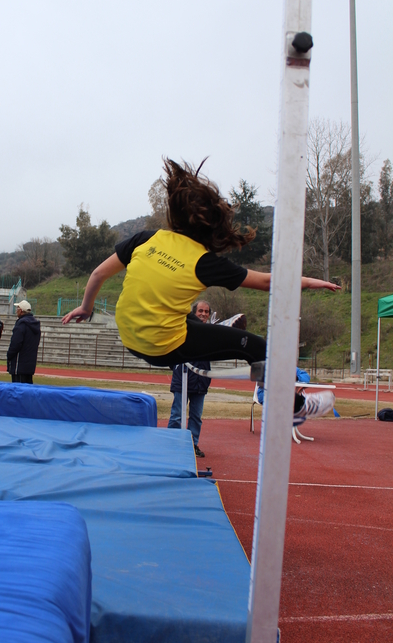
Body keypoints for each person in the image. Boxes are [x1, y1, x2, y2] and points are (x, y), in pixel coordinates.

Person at [62, 158, 340, 425]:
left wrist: (86, 308)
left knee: (185, 317)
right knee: (257, 348)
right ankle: (293, 406)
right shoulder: (204, 262)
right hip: (163, 346)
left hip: (129, 334)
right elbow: (269, 283)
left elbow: (98, 273)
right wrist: (311, 281)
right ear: (212, 231)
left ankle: (218, 329)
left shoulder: (147, 238)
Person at [168, 300, 212, 458]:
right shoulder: (184, 328)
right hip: (183, 380)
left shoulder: (211, 333)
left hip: (201, 382)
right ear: (194, 312)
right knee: (177, 415)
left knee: (196, 416)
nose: (203, 314)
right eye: (200, 311)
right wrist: (177, 368)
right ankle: (171, 444)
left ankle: (192, 445)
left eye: (206, 311)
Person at [7, 300, 41, 384]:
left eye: (17, 308)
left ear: (21, 311)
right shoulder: (35, 325)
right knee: (28, 389)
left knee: (18, 390)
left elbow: (16, 343)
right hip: (30, 363)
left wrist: (9, 355)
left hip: (19, 364)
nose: (16, 310)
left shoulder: (21, 324)